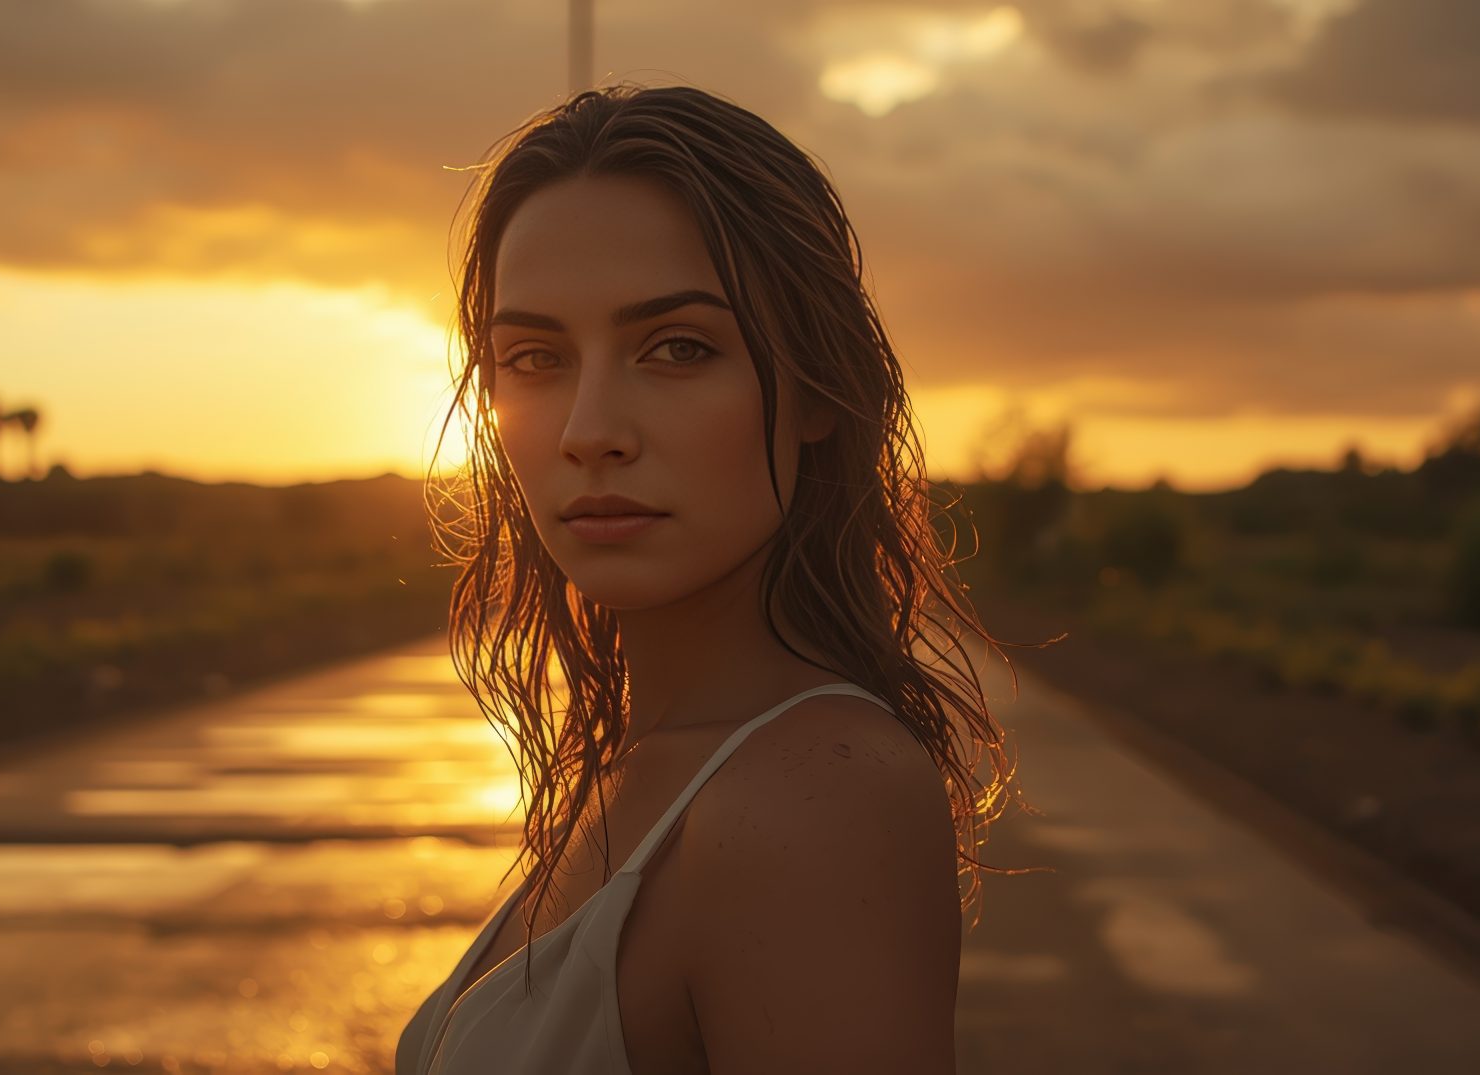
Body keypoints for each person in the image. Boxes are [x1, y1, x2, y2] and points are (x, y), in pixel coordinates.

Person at [398, 81, 1031, 1075]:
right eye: (534, 356)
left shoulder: (815, 800)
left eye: (678, 347)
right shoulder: (639, 762)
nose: (589, 431)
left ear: (820, 387)